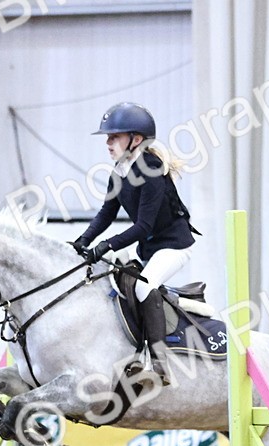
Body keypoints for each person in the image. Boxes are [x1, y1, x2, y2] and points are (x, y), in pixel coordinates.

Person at [72, 102, 197, 384]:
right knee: (116, 286)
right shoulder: (120, 170)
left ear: (136, 139)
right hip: (150, 248)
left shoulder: (151, 170)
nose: (108, 143)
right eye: (108, 137)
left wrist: (106, 246)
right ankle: (132, 354)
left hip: (175, 246)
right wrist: (84, 239)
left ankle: (159, 363)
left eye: (114, 136)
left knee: (143, 287)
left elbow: (144, 226)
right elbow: (106, 214)